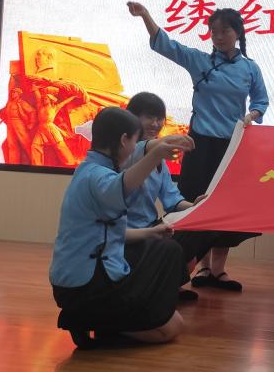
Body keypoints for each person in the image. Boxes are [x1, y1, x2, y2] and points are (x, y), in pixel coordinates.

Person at [128, 1, 269, 292]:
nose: (218, 36)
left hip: (232, 147)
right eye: (213, 31)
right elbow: (168, 46)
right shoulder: (200, 61)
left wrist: (253, 115)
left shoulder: (250, 68)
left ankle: (218, 269)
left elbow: (261, 100)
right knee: (194, 201)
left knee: (226, 206)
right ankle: (196, 268)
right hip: (199, 144)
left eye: (224, 31)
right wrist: (146, 16)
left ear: (237, 32)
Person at [49, 107, 194, 348]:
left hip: (89, 278)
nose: (136, 148)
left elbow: (108, 234)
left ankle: (103, 319)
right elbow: (121, 186)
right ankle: (86, 319)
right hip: (85, 287)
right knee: (172, 327)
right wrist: (155, 155)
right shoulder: (97, 176)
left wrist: (151, 232)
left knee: (166, 249)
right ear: (124, 140)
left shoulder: (90, 170)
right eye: (135, 142)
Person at [123, 91, 216, 303]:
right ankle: (161, 287)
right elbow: (144, 148)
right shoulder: (126, 150)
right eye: (149, 117)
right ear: (132, 118)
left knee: (206, 227)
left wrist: (195, 206)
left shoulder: (160, 160)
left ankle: (167, 284)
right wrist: (168, 142)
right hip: (127, 232)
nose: (155, 124)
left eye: (159, 118)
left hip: (152, 225)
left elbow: (172, 201)